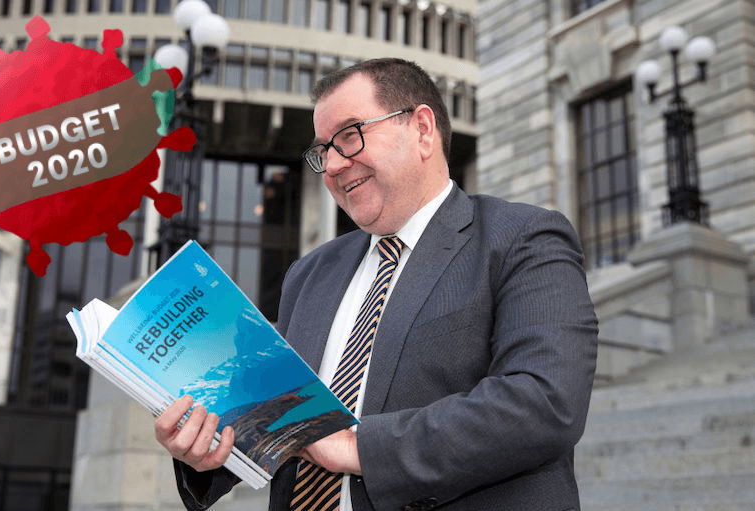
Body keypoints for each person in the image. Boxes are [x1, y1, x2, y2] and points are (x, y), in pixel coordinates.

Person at [154, 57, 598, 511]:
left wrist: (358, 446)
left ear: (422, 129)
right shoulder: (308, 274)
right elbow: (276, 424)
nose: (331, 165)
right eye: (323, 149)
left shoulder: (522, 238)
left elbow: (545, 401)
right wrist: (205, 450)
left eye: (349, 136)